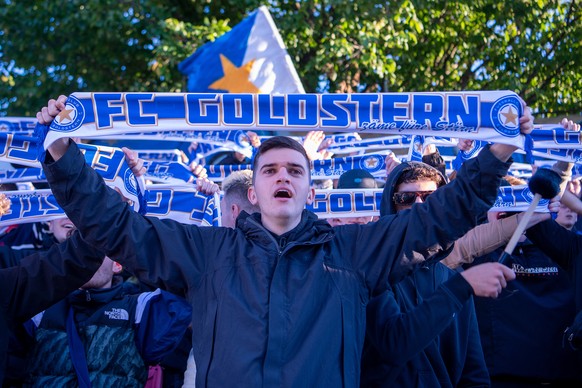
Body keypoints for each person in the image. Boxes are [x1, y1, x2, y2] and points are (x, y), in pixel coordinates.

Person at [37, 94, 532, 387]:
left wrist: (499, 151)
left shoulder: (351, 255)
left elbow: (435, 222)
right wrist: (61, 154)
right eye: (270, 169)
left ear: (309, 190)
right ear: (253, 190)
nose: (283, 177)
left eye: (295, 170)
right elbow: (118, 228)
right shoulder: (208, 253)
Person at [361, 161, 512, 387]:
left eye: (429, 198)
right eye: (407, 199)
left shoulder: (452, 277)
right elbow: (394, 345)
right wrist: (459, 289)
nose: (419, 206)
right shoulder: (367, 271)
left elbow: (473, 372)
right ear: (390, 206)